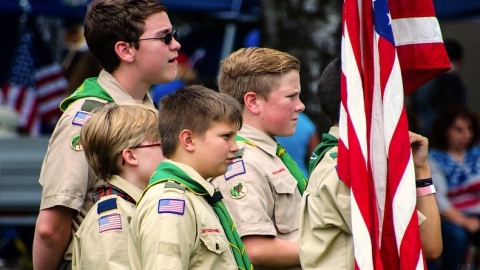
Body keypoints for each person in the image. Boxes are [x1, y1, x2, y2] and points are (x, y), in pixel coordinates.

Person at [32, 0, 181, 268]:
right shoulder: (87, 120)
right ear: (125, 50)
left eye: (174, 35)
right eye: (165, 37)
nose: (176, 45)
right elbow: (50, 229)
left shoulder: (149, 112)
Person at [299, 57, 442, 269]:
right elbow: (428, 245)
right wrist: (421, 170)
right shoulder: (347, 168)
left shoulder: (344, 160)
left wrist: (420, 166)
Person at [128, 85, 252, 270]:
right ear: (188, 140)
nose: (235, 147)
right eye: (226, 136)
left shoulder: (197, 196)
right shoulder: (171, 203)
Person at [211, 47, 305, 269]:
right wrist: (334, 249)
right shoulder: (243, 163)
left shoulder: (268, 153)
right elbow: (255, 250)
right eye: (291, 96)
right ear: (252, 102)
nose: (301, 105)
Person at [71, 103, 163, 269]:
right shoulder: (114, 217)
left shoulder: (138, 205)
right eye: (161, 145)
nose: (170, 151)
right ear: (130, 156)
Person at [428, 106, 480, 270]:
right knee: (456, 236)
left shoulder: (477, 153)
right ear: (445, 131)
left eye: (469, 129)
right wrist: (464, 221)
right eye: (458, 129)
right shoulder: (434, 159)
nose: (466, 134)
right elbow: (438, 200)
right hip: (450, 217)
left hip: (477, 214)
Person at [408, 38, 467, 137]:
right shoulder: (450, 80)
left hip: (420, 132)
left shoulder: (424, 79)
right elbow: (454, 112)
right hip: (441, 135)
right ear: (459, 60)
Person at [276, 112, 320, 177]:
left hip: (275, 176)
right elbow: (316, 158)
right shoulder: (305, 121)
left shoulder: (268, 122)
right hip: (301, 178)